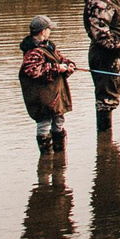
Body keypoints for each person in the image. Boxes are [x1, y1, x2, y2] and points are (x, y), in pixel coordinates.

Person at [18, 14, 77, 150]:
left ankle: (59, 157)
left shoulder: (49, 46)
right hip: (42, 99)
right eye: (49, 29)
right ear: (43, 31)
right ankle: (46, 157)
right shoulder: (33, 51)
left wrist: (69, 65)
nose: (50, 31)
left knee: (59, 121)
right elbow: (32, 71)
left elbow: (60, 59)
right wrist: (58, 68)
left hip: (54, 96)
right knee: (44, 123)